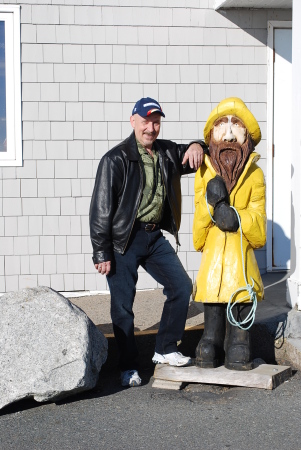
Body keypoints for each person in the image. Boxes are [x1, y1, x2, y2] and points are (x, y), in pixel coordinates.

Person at [90, 97, 205, 387]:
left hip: (154, 237)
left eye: (156, 122)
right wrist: (101, 251)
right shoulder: (115, 159)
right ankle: (128, 366)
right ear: (133, 121)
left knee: (180, 285)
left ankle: (165, 349)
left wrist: (197, 145)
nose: (151, 128)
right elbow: (100, 209)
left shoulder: (165, 151)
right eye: (146, 121)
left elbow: (190, 153)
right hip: (123, 240)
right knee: (123, 305)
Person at [193, 97, 266, 371]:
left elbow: (259, 228)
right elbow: (198, 233)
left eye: (237, 125)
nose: (229, 134)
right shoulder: (203, 173)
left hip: (241, 255)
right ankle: (210, 338)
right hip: (213, 254)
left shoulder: (256, 176)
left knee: (239, 288)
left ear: (247, 136)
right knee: (212, 289)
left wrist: (234, 216)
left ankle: (239, 341)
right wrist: (212, 205)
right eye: (221, 126)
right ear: (211, 135)